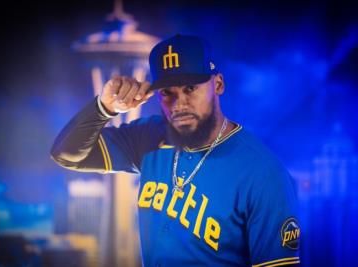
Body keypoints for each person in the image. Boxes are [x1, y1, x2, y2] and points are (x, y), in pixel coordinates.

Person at [51, 34, 301, 267]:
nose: (179, 104)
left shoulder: (263, 174)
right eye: (167, 93)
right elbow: (66, 154)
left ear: (218, 84)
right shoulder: (149, 138)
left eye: (190, 88)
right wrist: (104, 107)